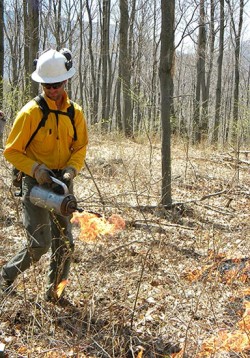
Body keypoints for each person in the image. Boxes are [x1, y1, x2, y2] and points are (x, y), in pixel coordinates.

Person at [0, 48, 88, 303]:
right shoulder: (30, 113)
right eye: (47, 85)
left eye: (57, 84)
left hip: (63, 183)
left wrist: (72, 169)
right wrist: (36, 169)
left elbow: (80, 147)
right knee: (40, 244)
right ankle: (5, 275)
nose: (52, 90)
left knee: (65, 244)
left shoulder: (75, 113)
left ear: (66, 81)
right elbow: (12, 151)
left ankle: (55, 294)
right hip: (35, 181)